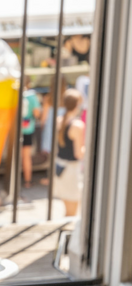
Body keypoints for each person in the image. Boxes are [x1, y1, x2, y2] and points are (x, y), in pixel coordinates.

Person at [54, 88, 85, 217]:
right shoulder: (77, 125)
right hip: (71, 171)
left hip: (59, 167)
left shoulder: (59, 120)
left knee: (67, 211)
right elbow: (79, 153)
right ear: (77, 104)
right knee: (72, 214)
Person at [20, 79, 41, 188]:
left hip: (14, 129)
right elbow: (37, 113)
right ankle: (27, 181)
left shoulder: (15, 94)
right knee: (26, 157)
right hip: (27, 129)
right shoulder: (32, 96)